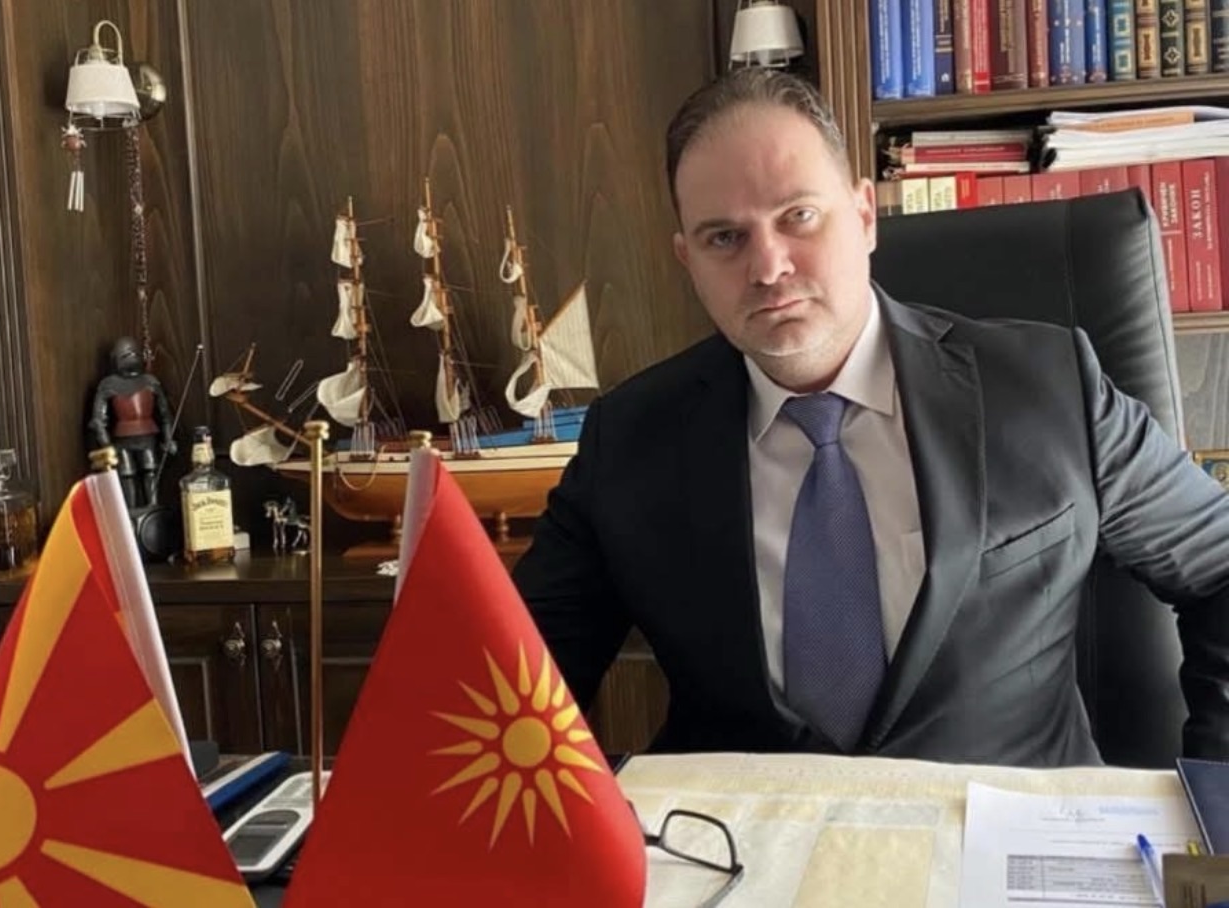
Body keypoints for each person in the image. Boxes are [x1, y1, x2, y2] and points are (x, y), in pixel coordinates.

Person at [511, 68, 1229, 767]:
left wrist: (1217, 801)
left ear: (863, 215)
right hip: (749, 838)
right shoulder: (627, 441)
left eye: (798, 216)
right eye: (724, 238)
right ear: (686, 259)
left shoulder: (1050, 386)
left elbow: (1220, 568)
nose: (768, 267)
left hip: (1003, 833)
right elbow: (511, 678)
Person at [87, 336, 177, 511]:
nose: (131, 357)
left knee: (151, 471)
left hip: (147, 436)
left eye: (133, 353)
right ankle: (131, 514)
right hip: (122, 439)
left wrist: (168, 438)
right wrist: (106, 445)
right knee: (127, 475)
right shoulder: (108, 384)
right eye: (126, 354)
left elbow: (165, 414)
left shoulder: (150, 381)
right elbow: (98, 420)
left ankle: (153, 511)